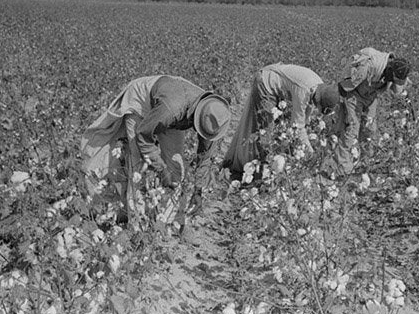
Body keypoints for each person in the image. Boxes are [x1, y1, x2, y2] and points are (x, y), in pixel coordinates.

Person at [81, 74, 231, 221]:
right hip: (141, 104)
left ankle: (168, 221)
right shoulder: (172, 109)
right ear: (198, 117)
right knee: (139, 166)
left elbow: (205, 155)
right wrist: (161, 169)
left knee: (176, 166)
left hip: (170, 112)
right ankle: (137, 222)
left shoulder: (213, 117)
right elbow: (143, 135)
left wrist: (198, 191)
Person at [223, 63, 340, 175]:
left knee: (278, 129)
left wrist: (307, 133)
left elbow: (306, 113)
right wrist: (310, 152)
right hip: (266, 84)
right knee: (265, 133)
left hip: (275, 83)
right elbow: (298, 126)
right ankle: (256, 172)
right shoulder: (303, 91)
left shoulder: (319, 86)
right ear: (319, 100)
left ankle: (260, 166)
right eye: (319, 107)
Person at [333, 47, 412, 173]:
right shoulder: (369, 65)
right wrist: (344, 110)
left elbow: (397, 90)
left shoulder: (398, 69)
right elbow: (345, 86)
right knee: (351, 128)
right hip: (354, 93)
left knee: (370, 129)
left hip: (370, 95)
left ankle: (365, 163)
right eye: (393, 78)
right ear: (390, 70)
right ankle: (343, 166)